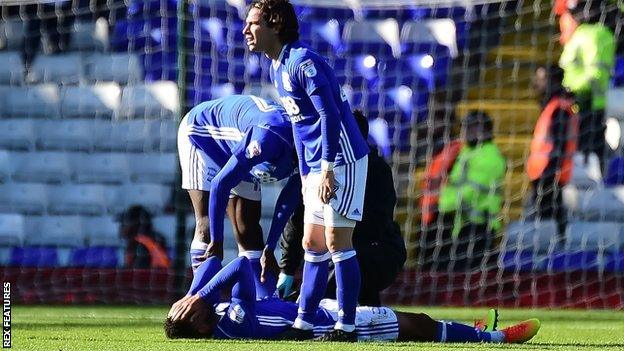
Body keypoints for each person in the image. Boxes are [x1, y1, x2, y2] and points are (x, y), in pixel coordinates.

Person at [243, 0, 370, 341]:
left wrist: (327, 168)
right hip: (316, 164)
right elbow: (301, 126)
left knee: (335, 240)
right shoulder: (277, 67)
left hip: (342, 158)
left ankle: (347, 325)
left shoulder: (303, 62)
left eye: (253, 23)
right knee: (311, 242)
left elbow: (329, 115)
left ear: (274, 25)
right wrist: (304, 174)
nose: (245, 31)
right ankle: (304, 322)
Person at [164, 256, 541, 344]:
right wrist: (198, 293)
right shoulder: (235, 322)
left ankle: (468, 332)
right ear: (198, 324)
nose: (196, 303)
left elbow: (216, 262)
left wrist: (193, 295)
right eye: (191, 310)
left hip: (316, 313)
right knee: (419, 325)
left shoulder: (221, 316)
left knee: (419, 323)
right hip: (327, 327)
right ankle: (498, 339)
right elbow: (240, 265)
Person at [276, 110, 406, 307]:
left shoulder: (377, 171)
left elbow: (376, 224)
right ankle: (362, 312)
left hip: (378, 250)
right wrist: (286, 268)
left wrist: (335, 232)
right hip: (341, 250)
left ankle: (308, 311)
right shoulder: (320, 170)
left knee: (342, 261)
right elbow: (299, 217)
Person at [177, 94, 301, 297]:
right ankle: (200, 300)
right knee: (207, 225)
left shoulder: (309, 156)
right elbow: (220, 183)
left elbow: (287, 203)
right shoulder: (266, 139)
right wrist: (217, 242)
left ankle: (262, 301)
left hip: (239, 147)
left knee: (249, 230)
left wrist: (269, 248)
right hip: (203, 136)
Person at [421, 111, 506, 271]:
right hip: (462, 223)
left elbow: (470, 192)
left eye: (473, 128)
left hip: (480, 227)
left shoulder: (489, 156)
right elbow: (454, 186)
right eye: (465, 127)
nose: (467, 132)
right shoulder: (467, 153)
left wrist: (442, 205)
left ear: (486, 131)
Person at [559, 2, 616, 172]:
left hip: (588, 101)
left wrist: (572, 89)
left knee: (589, 146)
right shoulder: (585, 33)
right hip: (581, 102)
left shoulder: (594, 34)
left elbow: (595, 74)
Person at [526, 65, 579, 240]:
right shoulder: (553, 106)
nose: (537, 82)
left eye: (541, 78)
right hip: (545, 173)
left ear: (552, 81)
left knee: (549, 220)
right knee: (549, 219)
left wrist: (550, 171)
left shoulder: (558, 108)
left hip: (549, 174)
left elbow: (559, 144)